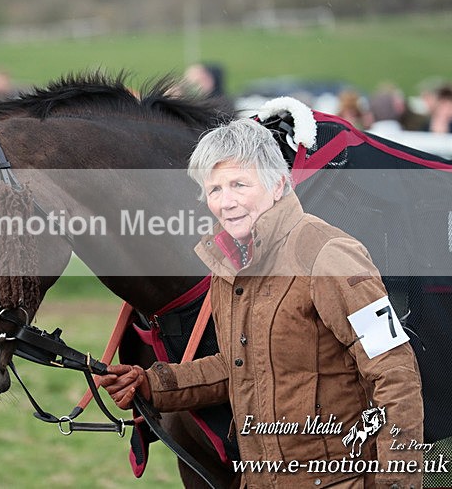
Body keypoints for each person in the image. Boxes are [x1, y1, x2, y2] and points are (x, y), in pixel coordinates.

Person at [99, 118, 424, 488]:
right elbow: (239, 365)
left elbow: (394, 370)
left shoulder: (328, 255)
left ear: (278, 184)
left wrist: (397, 480)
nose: (227, 202)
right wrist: (154, 384)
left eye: (240, 184)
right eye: (215, 189)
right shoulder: (230, 267)